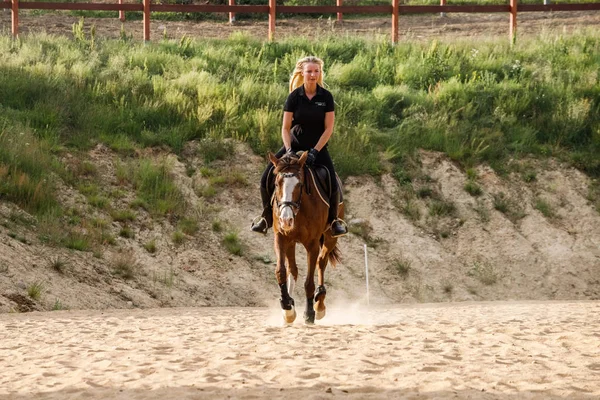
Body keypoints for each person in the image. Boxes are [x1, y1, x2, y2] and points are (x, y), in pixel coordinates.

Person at [251, 55, 348, 238]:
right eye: (309, 71)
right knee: (265, 177)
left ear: (320, 73)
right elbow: (285, 128)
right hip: (293, 146)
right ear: (302, 73)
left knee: (333, 181)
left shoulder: (326, 97)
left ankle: (334, 221)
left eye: (316, 71)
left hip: (318, 148)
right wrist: (288, 150)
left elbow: (328, 129)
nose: (313, 75)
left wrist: (315, 151)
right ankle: (266, 218)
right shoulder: (294, 97)